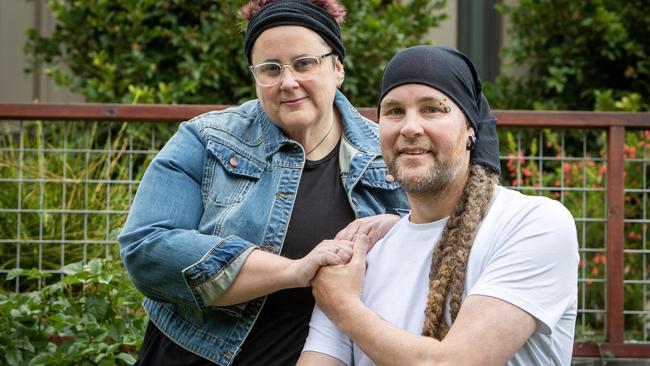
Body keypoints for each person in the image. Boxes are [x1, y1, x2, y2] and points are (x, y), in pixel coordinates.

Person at [118, 1, 409, 365]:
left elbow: (448, 232)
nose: (288, 82)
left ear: (337, 68)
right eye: (271, 69)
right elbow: (146, 246)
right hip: (195, 356)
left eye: (304, 63)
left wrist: (400, 226)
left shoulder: (391, 149)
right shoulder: (206, 139)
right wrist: (293, 270)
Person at [298, 45, 579, 366]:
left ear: (470, 128)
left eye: (432, 109)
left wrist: (344, 306)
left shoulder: (532, 224)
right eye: (394, 111)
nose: (410, 127)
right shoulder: (362, 256)